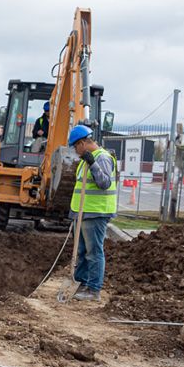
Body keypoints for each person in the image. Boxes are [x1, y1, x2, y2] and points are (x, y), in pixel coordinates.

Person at [68, 124, 117, 302]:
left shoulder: (101, 158)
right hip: (83, 213)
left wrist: (93, 163)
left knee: (94, 252)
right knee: (81, 250)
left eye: (75, 147)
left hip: (95, 213)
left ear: (82, 143)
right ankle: (81, 283)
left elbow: (104, 183)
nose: (76, 151)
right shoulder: (86, 160)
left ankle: (93, 289)